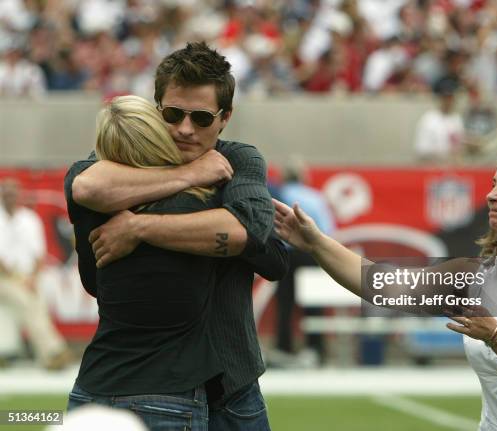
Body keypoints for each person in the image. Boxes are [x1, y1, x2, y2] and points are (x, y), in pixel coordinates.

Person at [273, 144, 497, 430]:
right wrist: (316, 243)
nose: (491, 195)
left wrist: (495, 335)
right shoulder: (474, 276)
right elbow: (381, 284)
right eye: (494, 184)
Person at [64, 41, 287, 430]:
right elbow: (86, 186)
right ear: (155, 110)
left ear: (225, 118)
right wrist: (190, 175)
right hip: (161, 379)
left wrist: (139, 227)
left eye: (201, 118)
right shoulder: (120, 160)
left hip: (231, 378)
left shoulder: (238, 158)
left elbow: (249, 235)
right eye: (172, 114)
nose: (185, 129)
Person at [65, 95, 223, 431]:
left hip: (93, 387)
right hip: (169, 390)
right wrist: (192, 172)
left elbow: (86, 185)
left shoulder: (94, 200)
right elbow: (268, 255)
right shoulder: (199, 201)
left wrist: (138, 228)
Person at [0, 178, 72, 370]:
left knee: (37, 305)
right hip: (4, 278)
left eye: (13, 192)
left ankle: (49, 356)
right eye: (6, 192)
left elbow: (39, 255)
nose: (9, 196)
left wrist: (31, 278)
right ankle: (54, 350)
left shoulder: (29, 219)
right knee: (27, 301)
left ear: (19, 195)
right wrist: (18, 279)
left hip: (27, 275)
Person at [273, 163, 336, 365]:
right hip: (310, 253)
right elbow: (327, 230)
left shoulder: (278, 194)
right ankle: (314, 348)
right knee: (313, 303)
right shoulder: (315, 197)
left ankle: (284, 348)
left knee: (285, 304)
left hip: (285, 253)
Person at [413, 77, 465, 163]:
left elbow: (459, 149)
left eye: (451, 97)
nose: (448, 100)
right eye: (445, 97)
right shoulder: (429, 119)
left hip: (453, 169)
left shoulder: (457, 119)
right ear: (440, 98)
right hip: (432, 169)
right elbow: (421, 151)